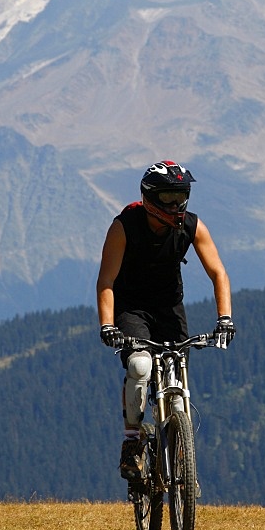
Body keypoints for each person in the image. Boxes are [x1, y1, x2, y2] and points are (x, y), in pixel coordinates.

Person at [96, 160, 236, 480]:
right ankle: (132, 442)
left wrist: (224, 319)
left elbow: (218, 273)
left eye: (181, 196)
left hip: (170, 310)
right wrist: (108, 326)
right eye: (169, 198)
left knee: (176, 372)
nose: (176, 205)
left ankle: (180, 451)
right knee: (139, 367)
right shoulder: (124, 227)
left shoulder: (192, 226)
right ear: (150, 198)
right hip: (131, 309)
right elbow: (106, 281)